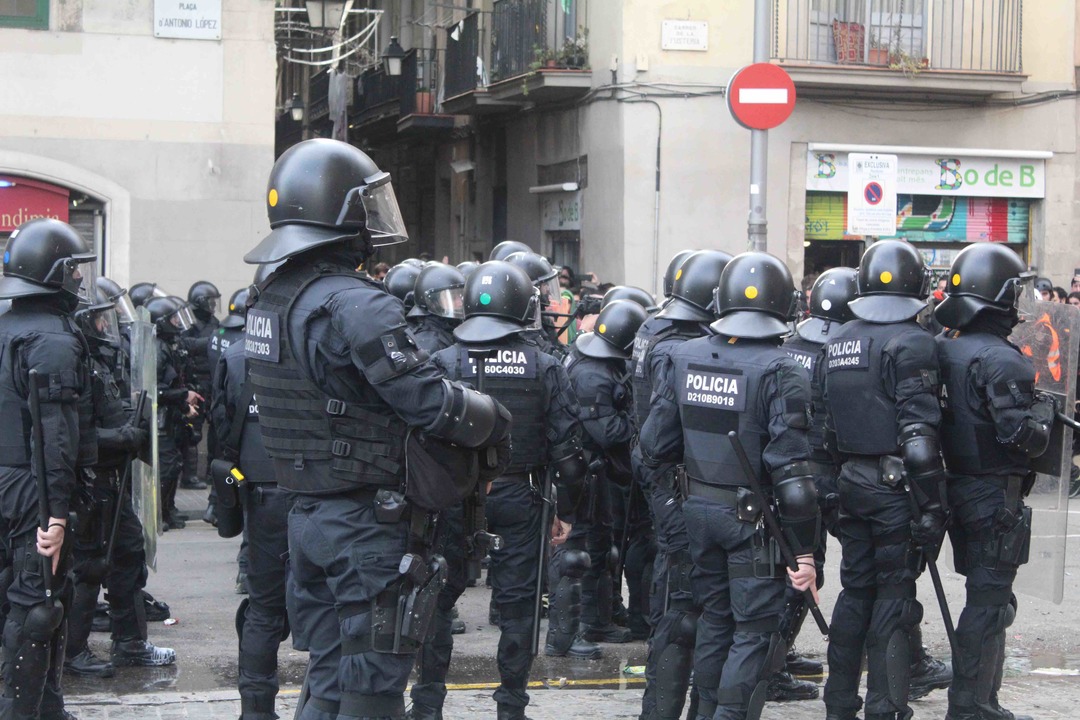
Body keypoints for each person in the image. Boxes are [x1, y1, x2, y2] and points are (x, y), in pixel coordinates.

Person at [242, 139, 510, 720]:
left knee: (329, 678)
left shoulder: (271, 298)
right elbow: (426, 401)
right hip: (365, 523)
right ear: (338, 213)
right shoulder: (355, 303)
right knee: (373, 687)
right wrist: (492, 418)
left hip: (307, 514)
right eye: (366, 206)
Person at [641, 251, 820, 720]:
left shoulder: (682, 356)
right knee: (754, 631)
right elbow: (793, 477)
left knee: (716, 619)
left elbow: (654, 445)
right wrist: (804, 554)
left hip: (697, 511)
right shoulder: (782, 370)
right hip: (751, 525)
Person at [414, 261, 588, 720]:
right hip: (520, 496)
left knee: (437, 599)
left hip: (451, 495)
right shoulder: (545, 366)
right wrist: (567, 511)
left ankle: (427, 704)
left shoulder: (442, 361)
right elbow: (569, 455)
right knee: (518, 607)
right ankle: (511, 706)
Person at [822, 240, 946, 720]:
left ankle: (839, 703)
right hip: (895, 488)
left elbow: (826, 424)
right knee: (894, 598)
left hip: (850, 479)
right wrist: (933, 506)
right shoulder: (913, 342)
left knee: (855, 592)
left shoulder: (839, 339)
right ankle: (886, 707)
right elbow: (919, 438)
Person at [934, 244, 1055, 720]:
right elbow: (1021, 436)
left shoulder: (943, 347)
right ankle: (972, 705)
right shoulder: (1002, 359)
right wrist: (1043, 414)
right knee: (988, 604)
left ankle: (977, 700)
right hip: (991, 495)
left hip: (953, 484)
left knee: (988, 599)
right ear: (997, 297)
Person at [0, 218, 98, 719]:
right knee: (37, 605)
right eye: (73, 270)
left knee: (35, 598)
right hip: (30, 486)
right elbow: (55, 437)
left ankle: (49, 709)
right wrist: (56, 514)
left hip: (9, 479)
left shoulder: (6, 325)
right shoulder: (52, 339)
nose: (79, 279)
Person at [634, 249, 734, 720]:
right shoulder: (679, 346)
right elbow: (662, 434)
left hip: (663, 481)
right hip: (678, 485)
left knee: (678, 604)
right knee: (683, 610)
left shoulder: (654, 330)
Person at [66, 286, 176, 679]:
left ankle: (130, 644)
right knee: (89, 567)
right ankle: (72, 651)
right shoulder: (77, 364)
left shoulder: (98, 362)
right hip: (92, 482)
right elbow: (75, 435)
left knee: (128, 553)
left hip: (112, 480)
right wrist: (121, 437)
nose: (105, 326)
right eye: (99, 319)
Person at [211, 271, 291, 720]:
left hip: (261, 493)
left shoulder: (237, 353)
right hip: (317, 491)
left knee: (264, 607)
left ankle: (256, 710)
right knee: (328, 607)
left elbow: (222, 428)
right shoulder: (312, 345)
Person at [547, 299, 647, 659]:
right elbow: (607, 430)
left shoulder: (600, 362)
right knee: (579, 551)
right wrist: (638, 422)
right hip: (582, 471)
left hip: (594, 470)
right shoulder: (593, 374)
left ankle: (597, 620)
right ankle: (573, 631)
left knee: (599, 547)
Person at [146, 295, 202, 530]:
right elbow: (155, 389)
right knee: (166, 467)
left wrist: (185, 401)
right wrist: (183, 396)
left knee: (174, 465)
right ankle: (157, 514)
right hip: (160, 420)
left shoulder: (170, 345)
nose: (178, 323)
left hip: (172, 418)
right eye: (173, 319)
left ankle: (168, 510)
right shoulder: (157, 348)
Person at [408, 262, 466, 354]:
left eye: (461, 296)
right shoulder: (428, 343)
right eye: (452, 298)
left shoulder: (450, 328)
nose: (460, 303)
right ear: (433, 302)